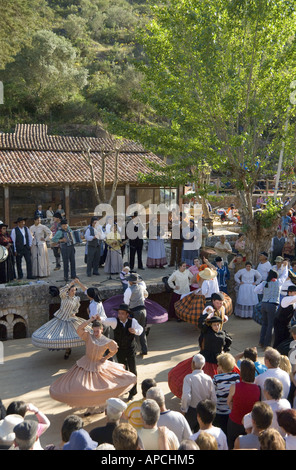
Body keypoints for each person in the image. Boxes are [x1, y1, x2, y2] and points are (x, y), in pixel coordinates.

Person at [49, 317, 137, 410]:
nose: (95, 333)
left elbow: (114, 350)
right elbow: (79, 329)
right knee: (84, 387)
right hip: (86, 363)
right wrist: (89, 321)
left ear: (102, 330)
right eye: (94, 331)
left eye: (97, 331)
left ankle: (101, 406)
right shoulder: (88, 336)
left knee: (99, 387)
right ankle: (90, 407)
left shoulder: (107, 341)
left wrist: (105, 358)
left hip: (99, 365)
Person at [31, 279, 91, 360]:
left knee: (74, 334)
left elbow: (76, 308)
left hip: (71, 319)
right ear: (68, 291)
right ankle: (67, 350)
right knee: (62, 335)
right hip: (61, 318)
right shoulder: (64, 297)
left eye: (75, 290)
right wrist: (71, 283)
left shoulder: (76, 299)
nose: (74, 292)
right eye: (72, 290)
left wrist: (74, 312)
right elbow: (62, 290)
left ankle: (68, 350)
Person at [99, 303, 143, 401]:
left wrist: (135, 331)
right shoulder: (115, 321)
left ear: (127, 314)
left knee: (132, 369)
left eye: (122, 313)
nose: (120, 315)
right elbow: (105, 320)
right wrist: (98, 318)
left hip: (130, 349)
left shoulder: (133, 321)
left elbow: (141, 329)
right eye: (119, 313)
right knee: (123, 370)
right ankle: (126, 387)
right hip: (119, 350)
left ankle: (133, 391)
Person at [227, 358, 261, 449]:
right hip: (250, 423)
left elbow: (228, 401)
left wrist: (233, 408)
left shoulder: (234, 386)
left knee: (231, 444)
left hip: (234, 422)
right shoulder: (258, 389)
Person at [180, 353, 216, 432]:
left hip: (192, 411)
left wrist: (184, 409)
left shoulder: (188, 378)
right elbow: (213, 397)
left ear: (193, 363)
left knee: (187, 432)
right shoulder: (209, 378)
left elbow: (186, 396)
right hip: (204, 411)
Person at [212, 353, 240, 435]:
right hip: (231, 411)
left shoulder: (217, 378)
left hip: (220, 410)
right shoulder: (237, 376)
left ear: (220, 367)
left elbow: (213, 393)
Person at [254, 269, 282, 348]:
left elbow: (255, 290)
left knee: (264, 324)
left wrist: (263, 292)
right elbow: (285, 276)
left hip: (264, 304)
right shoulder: (279, 282)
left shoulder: (264, 282)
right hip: (272, 305)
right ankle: (267, 344)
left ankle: (261, 342)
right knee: (270, 325)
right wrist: (285, 266)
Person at [123, 272, 148, 356]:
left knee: (133, 330)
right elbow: (145, 296)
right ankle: (144, 349)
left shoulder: (128, 290)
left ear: (130, 282)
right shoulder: (141, 287)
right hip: (143, 310)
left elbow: (126, 303)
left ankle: (134, 350)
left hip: (135, 311)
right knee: (142, 330)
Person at [273, 285, 296, 350]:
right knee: (278, 339)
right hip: (279, 322)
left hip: (286, 323)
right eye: (295, 292)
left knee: (286, 339)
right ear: (289, 292)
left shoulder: (293, 301)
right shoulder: (286, 299)